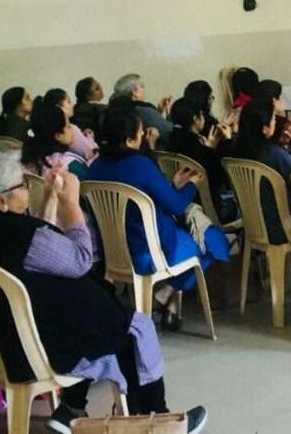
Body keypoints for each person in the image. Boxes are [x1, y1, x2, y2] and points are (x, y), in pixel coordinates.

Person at [0, 154, 207, 434]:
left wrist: (49, 197)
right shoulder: (20, 235)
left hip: (4, 341)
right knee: (132, 328)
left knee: (96, 317)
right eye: (22, 185)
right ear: (1, 202)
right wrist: (71, 205)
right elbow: (81, 259)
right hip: (39, 348)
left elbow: (40, 248)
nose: (27, 189)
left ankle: (72, 408)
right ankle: (158, 421)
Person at [87, 105, 230, 327]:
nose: (144, 135)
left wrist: (172, 186)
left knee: (193, 237)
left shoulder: (95, 168)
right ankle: (163, 295)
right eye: (140, 131)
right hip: (149, 251)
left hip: (113, 251)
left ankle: (170, 305)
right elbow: (176, 206)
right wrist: (191, 185)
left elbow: (141, 199)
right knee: (214, 240)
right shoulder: (141, 165)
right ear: (128, 140)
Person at [233, 97, 291, 271]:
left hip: (253, 225)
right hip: (282, 227)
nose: (276, 122)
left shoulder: (237, 151)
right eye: (274, 119)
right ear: (264, 128)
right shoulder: (275, 155)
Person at [167, 98, 237, 224]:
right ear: (195, 119)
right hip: (208, 211)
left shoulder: (171, 142)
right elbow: (218, 182)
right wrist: (218, 146)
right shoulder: (198, 148)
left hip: (181, 209)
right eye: (202, 115)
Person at [23, 104, 90, 182]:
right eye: (68, 126)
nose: (72, 129)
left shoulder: (30, 156)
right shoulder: (70, 164)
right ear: (58, 135)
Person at [35, 88, 98, 163]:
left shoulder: (46, 129)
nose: (72, 105)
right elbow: (92, 152)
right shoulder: (72, 129)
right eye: (68, 102)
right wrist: (90, 138)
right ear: (58, 107)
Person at [111, 74, 173, 149]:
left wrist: (158, 112)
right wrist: (169, 113)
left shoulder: (116, 108)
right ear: (134, 92)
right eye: (142, 86)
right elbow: (171, 133)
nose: (144, 90)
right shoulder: (143, 110)